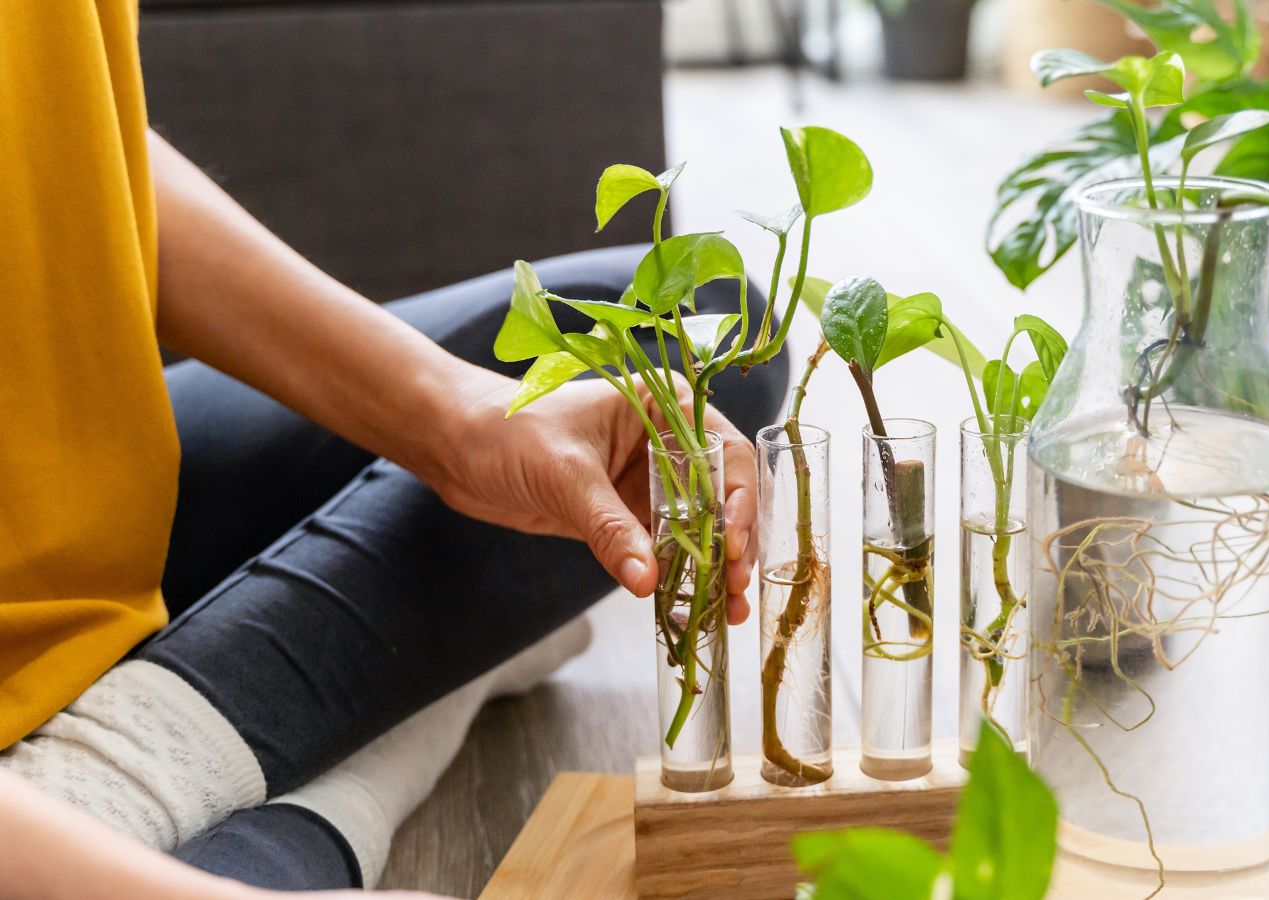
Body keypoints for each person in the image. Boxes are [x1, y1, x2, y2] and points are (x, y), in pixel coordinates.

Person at [0, 1, 787, 895]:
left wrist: (460, 418)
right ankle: (121, 784)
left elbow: (76, 149)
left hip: (81, 470)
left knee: (692, 342)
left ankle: (106, 788)